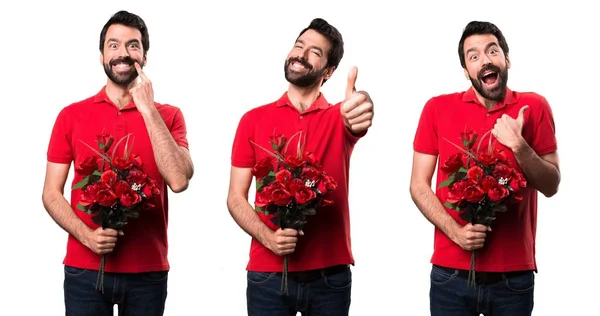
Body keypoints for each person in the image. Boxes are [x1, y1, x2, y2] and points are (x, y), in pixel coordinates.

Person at [41, 10, 194, 315]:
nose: (123, 53)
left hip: (147, 272)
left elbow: (178, 181)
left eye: (133, 46)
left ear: (144, 57)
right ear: (101, 56)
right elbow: (50, 193)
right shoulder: (71, 115)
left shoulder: (169, 115)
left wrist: (148, 109)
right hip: (84, 270)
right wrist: (86, 236)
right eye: (113, 45)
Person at [409, 20, 560, 315]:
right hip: (450, 276)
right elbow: (418, 184)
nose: (485, 60)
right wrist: (456, 232)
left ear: (506, 59)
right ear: (466, 71)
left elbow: (552, 185)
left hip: (513, 278)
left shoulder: (534, 106)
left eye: (492, 51)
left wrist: (519, 145)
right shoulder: (436, 109)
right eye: (474, 56)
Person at [227, 18, 374, 316]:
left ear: (329, 71)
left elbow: (356, 115)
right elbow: (235, 198)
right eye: (299, 46)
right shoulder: (252, 120)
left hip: (329, 278)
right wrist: (268, 238)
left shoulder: (339, 117)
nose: (301, 54)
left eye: (315, 52)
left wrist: (361, 106)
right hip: (267, 275)